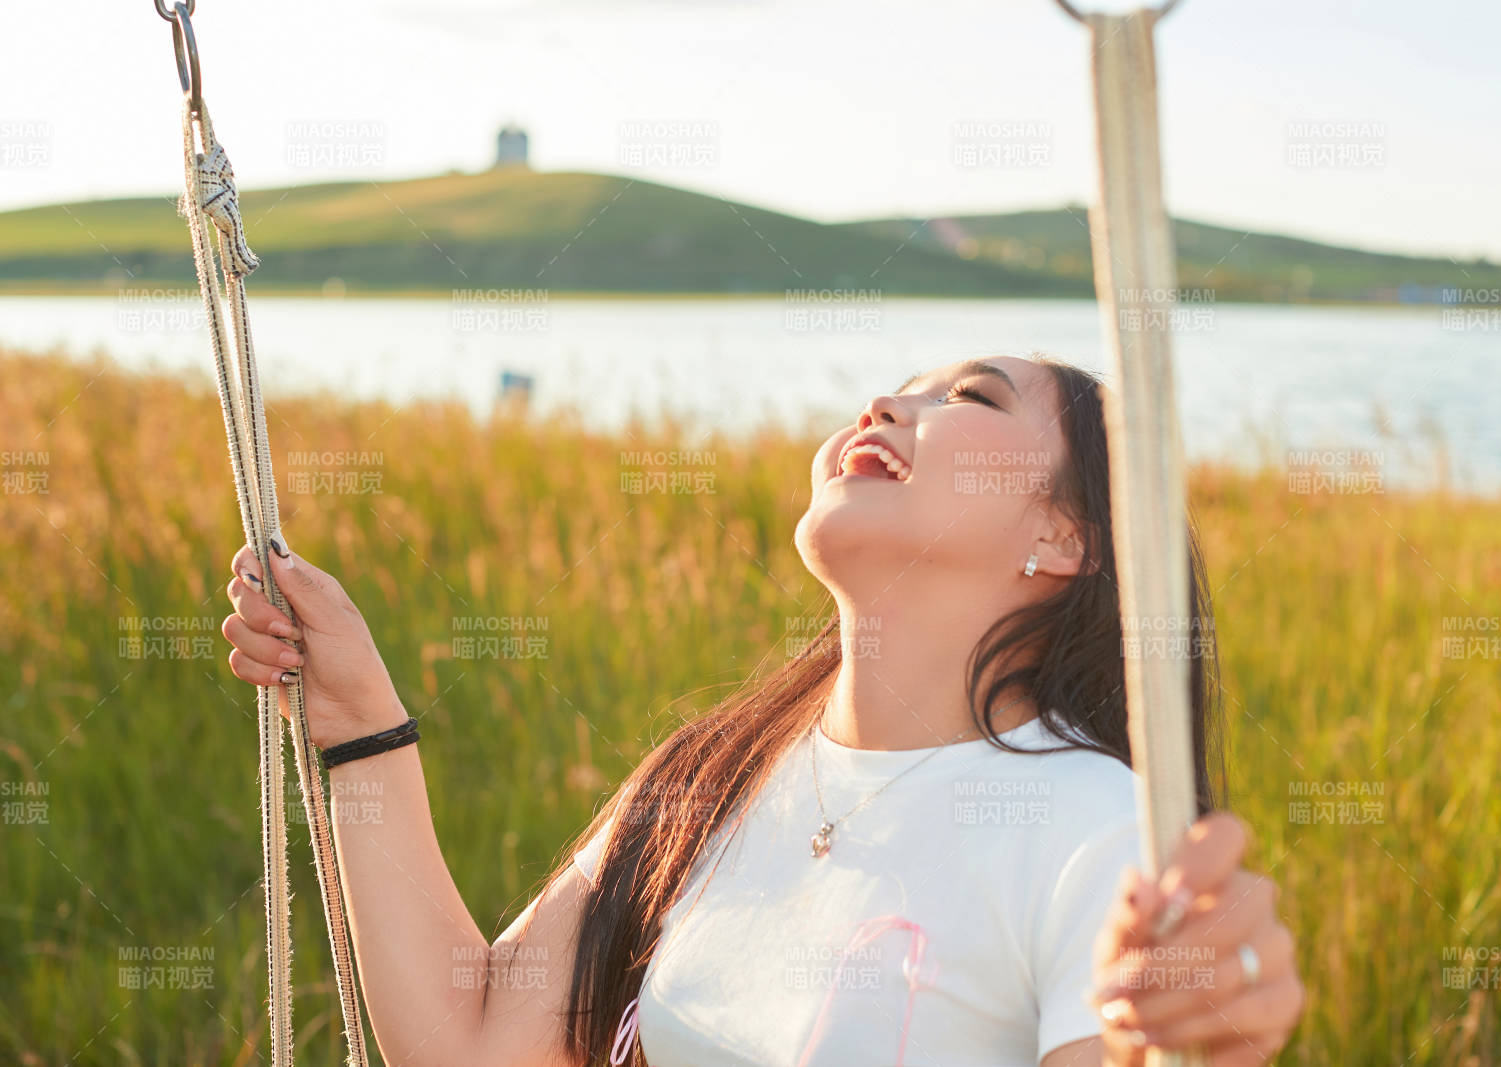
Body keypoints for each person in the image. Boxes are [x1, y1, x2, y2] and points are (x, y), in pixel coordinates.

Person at [223, 354, 1304, 1066]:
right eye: (895, 390)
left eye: (968, 398)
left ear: (1066, 537)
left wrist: (1189, 1036)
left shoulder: (1098, 826)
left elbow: (1163, 1021)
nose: (883, 408)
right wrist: (361, 724)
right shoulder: (710, 774)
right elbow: (468, 1042)